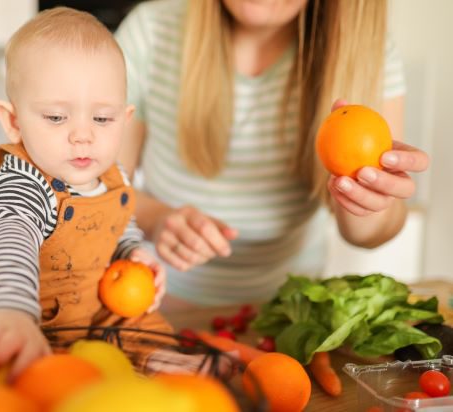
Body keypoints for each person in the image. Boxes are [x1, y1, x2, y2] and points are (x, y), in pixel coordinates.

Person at [115, 0, 429, 309]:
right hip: (161, 300)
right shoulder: (151, 31)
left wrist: (368, 200)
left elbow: (374, 231)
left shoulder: (365, 53)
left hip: (292, 310)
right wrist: (157, 219)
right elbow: (102, 188)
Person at [0, 7, 171, 379]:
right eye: (56, 117)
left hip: (89, 318)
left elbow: (115, 227)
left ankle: (159, 359)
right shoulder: (23, 183)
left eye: (102, 119)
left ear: (125, 121)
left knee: (143, 323)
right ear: (14, 122)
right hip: (16, 320)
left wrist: (133, 252)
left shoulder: (113, 177)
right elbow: (8, 242)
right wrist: (8, 312)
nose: (83, 134)